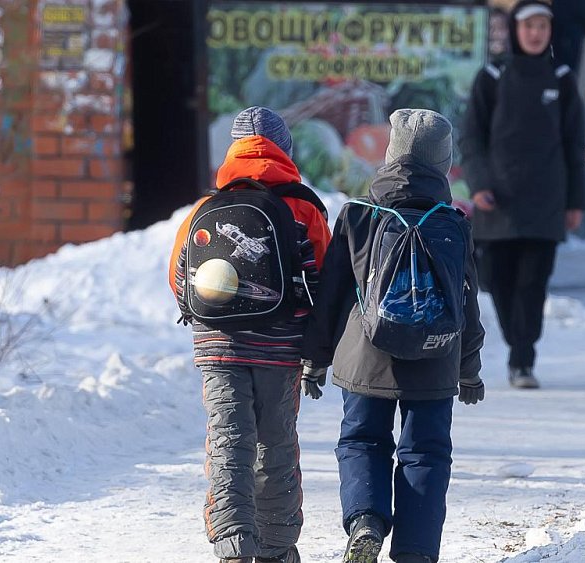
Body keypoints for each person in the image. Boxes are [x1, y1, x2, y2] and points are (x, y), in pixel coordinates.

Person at [300, 109, 486, 563]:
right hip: (435, 357)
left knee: (363, 441)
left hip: (365, 355)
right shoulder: (454, 224)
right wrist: (469, 372)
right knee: (426, 453)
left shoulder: (359, 217)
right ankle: (416, 553)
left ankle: (366, 519)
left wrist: (315, 359)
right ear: (442, 164)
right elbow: (468, 306)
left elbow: (331, 296)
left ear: (390, 156)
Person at [169, 106, 332, 563]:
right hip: (280, 348)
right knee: (275, 440)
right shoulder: (302, 206)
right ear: (286, 150)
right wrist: (317, 344)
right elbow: (327, 278)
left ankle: (233, 538)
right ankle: (278, 548)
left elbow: (178, 276)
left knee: (228, 435)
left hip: (217, 345)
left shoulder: (206, 208)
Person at [460, 0, 585, 389]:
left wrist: (576, 201)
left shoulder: (562, 78)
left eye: (542, 27)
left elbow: (574, 144)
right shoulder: (492, 75)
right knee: (498, 280)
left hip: (546, 201)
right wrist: (480, 184)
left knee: (533, 282)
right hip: (496, 201)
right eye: (529, 26)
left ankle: (523, 357)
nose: (536, 33)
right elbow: (472, 137)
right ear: (516, 29)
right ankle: (517, 342)